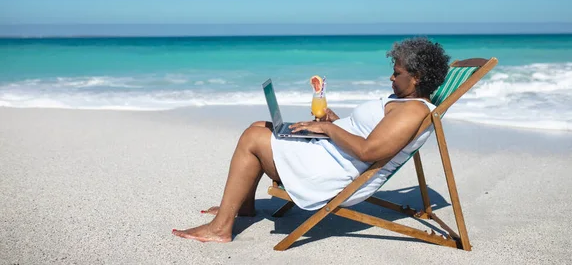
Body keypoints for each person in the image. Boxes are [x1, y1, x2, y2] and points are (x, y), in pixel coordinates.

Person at [172, 37, 450, 243]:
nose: (391, 76)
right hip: (332, 155)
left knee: (253, 138)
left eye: (397, 72)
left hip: (333, 173)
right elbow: (368, 133)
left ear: (418, 77)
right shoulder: (403, 100)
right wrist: (333, 122)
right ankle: (243, 206)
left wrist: (329, 131)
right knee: (260, 125)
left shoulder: (412, 110)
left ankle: (220, 228)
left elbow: (368, 151)